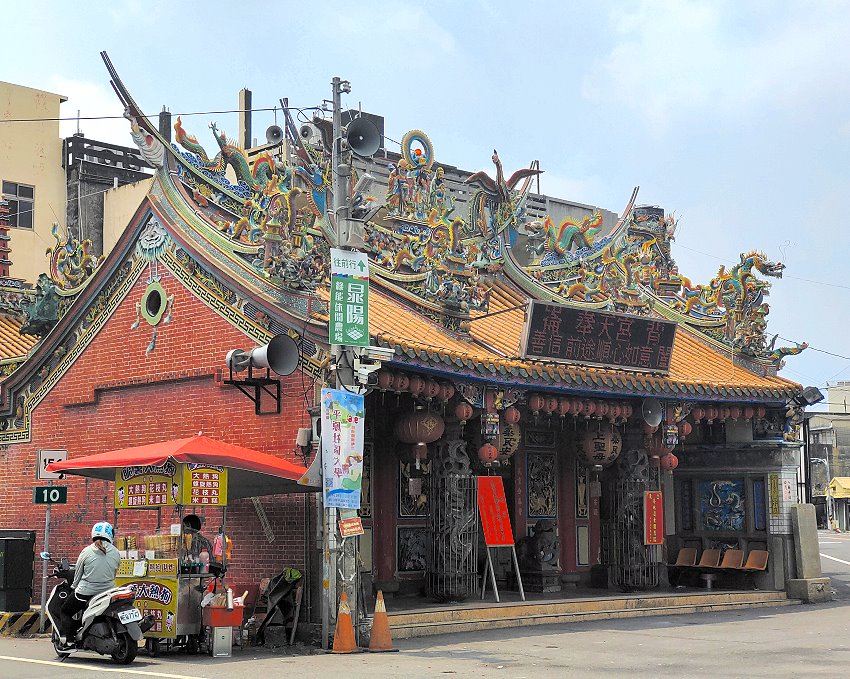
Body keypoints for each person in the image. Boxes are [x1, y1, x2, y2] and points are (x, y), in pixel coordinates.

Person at [59, 522, 121, 647]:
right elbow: (114, 573)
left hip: (85, 593)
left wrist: (72, 588)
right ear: (110, 535)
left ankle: (70, 640)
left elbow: (77, 575)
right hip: (107, 592)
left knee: (64, 611)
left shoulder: (86, 552)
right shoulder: (116, 552)